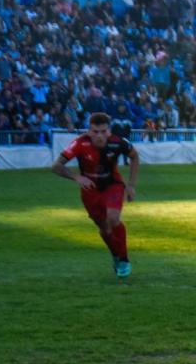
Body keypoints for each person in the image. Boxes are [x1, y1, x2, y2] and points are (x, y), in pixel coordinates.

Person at [52, 112, 140, 278]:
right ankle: (115, 255)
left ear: (109, 131)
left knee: (113, 218)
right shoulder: (79, 143)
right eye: (95, 132)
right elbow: (56, 165)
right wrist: (76, 177)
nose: (99, 136)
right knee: (103, 228)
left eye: (103, 131)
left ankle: (124, 259)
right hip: (90, 190)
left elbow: (134, 157)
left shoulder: (118, 142)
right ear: (88, 131)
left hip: (113, 185)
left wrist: (131, 185)